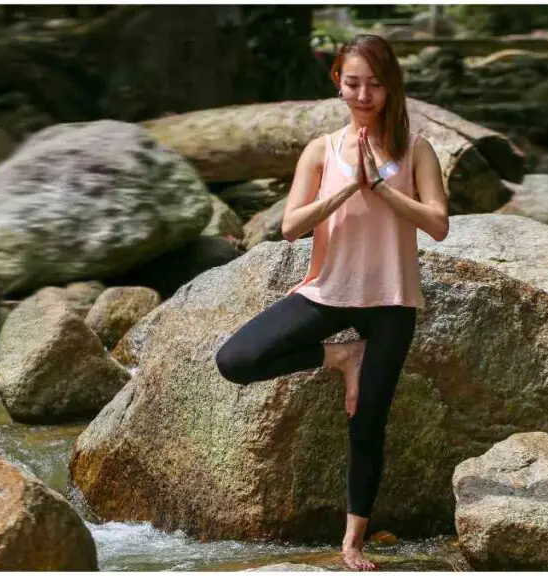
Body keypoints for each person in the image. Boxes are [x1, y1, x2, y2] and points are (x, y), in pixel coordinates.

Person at [214, 34, 449, 571]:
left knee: (367, 424)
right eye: (352, 83)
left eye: (374, 84)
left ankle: (352, 543)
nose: (363, 95)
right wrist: (346, 188)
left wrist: (382, 187)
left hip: (391, 304)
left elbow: (437, 225)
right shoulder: (321, 150)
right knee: (236, 361)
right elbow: (292, 227)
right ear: (337, 83)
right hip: (327, 295)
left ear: (392, 87)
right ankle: (342, 356)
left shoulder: (417, 150)